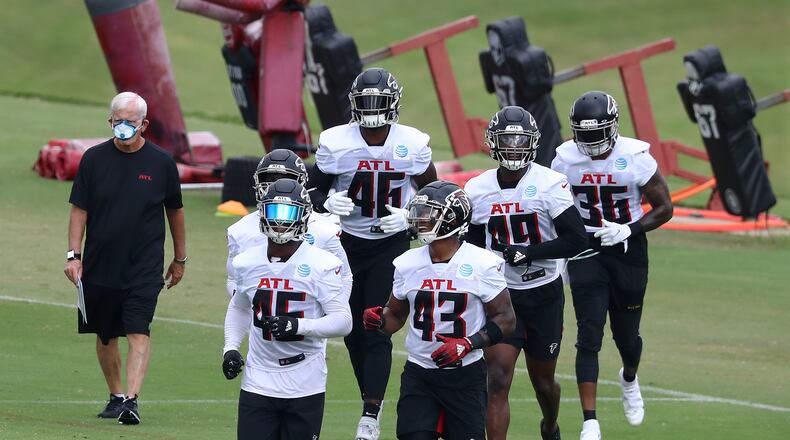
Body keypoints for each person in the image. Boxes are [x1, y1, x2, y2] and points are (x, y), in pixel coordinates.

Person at [307, 67, 437, 439]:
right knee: (350, 328)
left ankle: (370, 414)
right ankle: (372, 399)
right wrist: (326, 200)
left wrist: (412, 221)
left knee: (376, 326)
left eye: (378, 103)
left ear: (393, 104)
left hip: (391, 244)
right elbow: (312, 191)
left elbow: (437, 195)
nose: (372, 111)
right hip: (345, 242)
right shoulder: (337, 141)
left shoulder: (411, 143)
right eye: (365, 103)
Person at [551, 91, 673, 440]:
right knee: (589, 335)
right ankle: (591, 421)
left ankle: (629, 378)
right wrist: (561, 251)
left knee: (627, 336)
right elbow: (552, 204)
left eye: (596, 132)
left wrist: (629, 229)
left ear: (613, 127)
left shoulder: (635, 156)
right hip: (586, 247)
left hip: (627, 248)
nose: (589, 142)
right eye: (583, 134)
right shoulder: (563, 159)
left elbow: (665, 208)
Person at [63, 91, 187, 425]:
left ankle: (132, 400)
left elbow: (175, 211)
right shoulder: (93, 159)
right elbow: (79, 211)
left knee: (138, 331)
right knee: (105, 335)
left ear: (143, 124)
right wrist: (73, 256)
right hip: (100, 264)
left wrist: (180, 258)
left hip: (143, 268)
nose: (123, 127)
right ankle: (116, 395)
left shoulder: (161, 163)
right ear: (110, 121)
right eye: (118, 121)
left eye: (130, 122)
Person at [465, 106, 588, 440]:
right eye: (508, 139)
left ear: (532, 143)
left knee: (544, 384)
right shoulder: (477, 189)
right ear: (493, 143)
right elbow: (473, 245)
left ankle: (550, 425)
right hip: (501, 298)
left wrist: (530, 253)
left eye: (521, 140)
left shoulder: (549, 183)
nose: (515, 147)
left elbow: (577, 239)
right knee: (498, 379)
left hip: (544, 294)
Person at [363, 181, 516, 440]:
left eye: (429, 213)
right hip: (419, 373)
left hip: (465, 375)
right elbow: (396, 316)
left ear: (453, 218)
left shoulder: (482, 264)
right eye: (419, 212)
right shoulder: (407, 263)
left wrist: (467, 343)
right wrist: (379, 320)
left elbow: (506, 320)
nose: (420, 219)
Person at [222, 179, 352, 440]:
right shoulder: (246, 262)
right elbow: (239, 306)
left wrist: (299, 326)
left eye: (288, 213)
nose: (280, 222)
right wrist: (231, 348)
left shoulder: (322, 263)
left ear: (303, 215)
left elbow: (343, 321)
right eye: (273, 213)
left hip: (305, 378)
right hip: (258, 376)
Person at [225, 149, 351, 299]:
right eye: (269, 178)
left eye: (286, 180)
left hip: (310, 315)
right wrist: (246, 304)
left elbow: (344, 277)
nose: (277, 186)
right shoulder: (239, 230)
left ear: (302, 183)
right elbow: (233, 278)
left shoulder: (325, 229)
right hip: (259, 318)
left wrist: (334, 309)